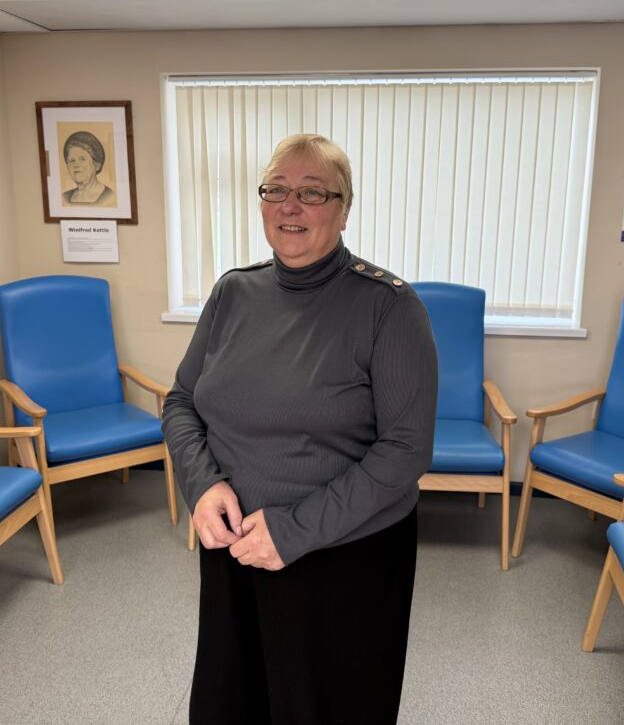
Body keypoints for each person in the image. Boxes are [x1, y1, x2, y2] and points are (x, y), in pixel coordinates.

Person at [162, 133, 438, 725]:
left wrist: (294, 530)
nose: (291, 206)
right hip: (235, 547)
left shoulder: (388, 307)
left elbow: (406, 451)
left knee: (325, 707)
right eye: (277, 190)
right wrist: (202, 486)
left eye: (313, 192)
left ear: (343, 209)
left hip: (342, 559)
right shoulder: (233, 293)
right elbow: (182, 400)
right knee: (232, 700)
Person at [60, 130, 116, 206]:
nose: (76, 165)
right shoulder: (64, 198)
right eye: (72, 160)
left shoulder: (110, 197)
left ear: (96, 164)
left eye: (82, 159)